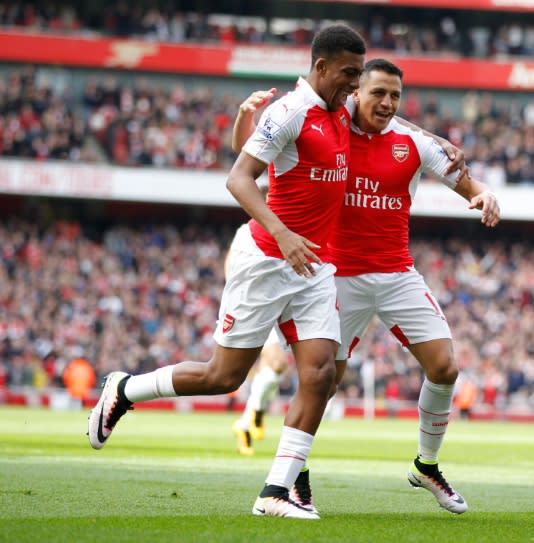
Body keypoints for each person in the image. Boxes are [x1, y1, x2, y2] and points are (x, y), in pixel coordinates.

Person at [87, 24, 368, 520]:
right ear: (320, 66)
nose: (355, 84)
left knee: (320, 374)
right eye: (349, 73)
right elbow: (238, 178)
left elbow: (392, 120)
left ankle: (276, 492)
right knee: (223, 377)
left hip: (315, 265)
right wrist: (282, 233)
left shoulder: (342, 110)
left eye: (359, 75)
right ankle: (125, 389)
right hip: (266, 261)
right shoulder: (291, 112)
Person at [235, 59, 500, 515]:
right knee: (322, 382)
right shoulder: (329, 130)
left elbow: (464, 179)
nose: (387, 103)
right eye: (378, 93)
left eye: (395, 96)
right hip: (337, 277)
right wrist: (245, 120)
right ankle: (293, 477)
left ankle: (427, 465)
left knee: (444, 367)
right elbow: (260, 157)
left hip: (397, 273)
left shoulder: (412, 143)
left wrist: (483, 193)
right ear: (355, 92)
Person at [231, 328, 291, 455]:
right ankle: (255, 414)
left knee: (273, 371)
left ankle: (245, 425)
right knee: (277, 364)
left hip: (289, 318)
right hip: (273, 317)